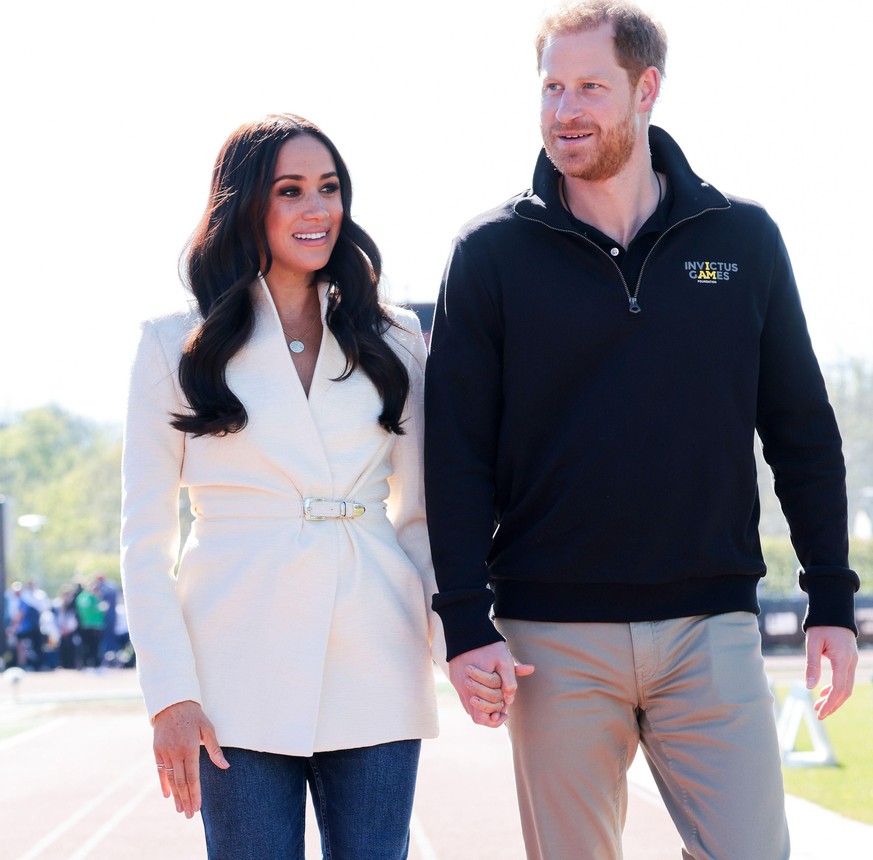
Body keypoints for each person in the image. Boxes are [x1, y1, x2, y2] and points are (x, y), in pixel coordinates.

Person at [423, 3, 860, 859]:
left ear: (645, 89)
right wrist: (464, 618)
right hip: (552, 638)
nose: (564, 111)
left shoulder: (741, 238)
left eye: (589, 87)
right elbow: (455, 453)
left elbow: (802, 430)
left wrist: (831, 599)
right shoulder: (488, 254)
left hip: (711, 626)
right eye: (551, 87)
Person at [120, 113, 499, 860]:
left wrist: (457, 639)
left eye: (328, 189)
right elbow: (144, 538)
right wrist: (171, 693)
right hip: (233, 667)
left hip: (376, 655)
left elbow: (422, 519)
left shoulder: (393, 340)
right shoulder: (172, 344)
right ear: (245, 205)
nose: (317, 209)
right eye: (290, 191)